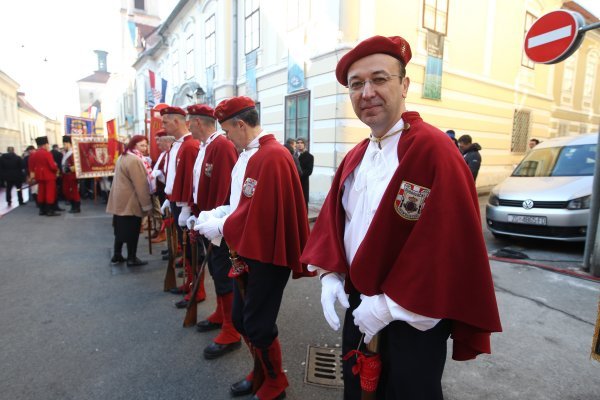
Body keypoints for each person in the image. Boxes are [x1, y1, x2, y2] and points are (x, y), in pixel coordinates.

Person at [300, 35, 502, 400]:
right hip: (361, 306)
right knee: (356, 387)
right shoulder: (356, 156)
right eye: (356, 84)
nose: (367, 93)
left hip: (413, 314)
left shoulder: (434, 150)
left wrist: (390, 306)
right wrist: (331, 274)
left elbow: (445, 245)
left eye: (379, 79)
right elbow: (338, 222)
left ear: (404, 85)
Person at [194, 96, 314, 399]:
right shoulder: (251, 154)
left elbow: (260, 214)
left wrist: (222, 226)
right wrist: (222, 213)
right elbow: (242, 204)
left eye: (227, 131)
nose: (227, 138)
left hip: (268, 253)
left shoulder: (270, 155)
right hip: (250, 249)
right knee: (242, 319)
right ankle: (261, 369)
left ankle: (275, 381)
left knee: (257, 323)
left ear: (240, 124)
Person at [184, 103, 241, 360]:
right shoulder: (208, 146)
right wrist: (195, 212)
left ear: (197, 122)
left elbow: (224, 189)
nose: (187, 126)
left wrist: (213, 224)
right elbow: (200, 185)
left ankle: (231, 329)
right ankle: (221, 313)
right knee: (218, 273)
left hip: (218, 224)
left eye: (189, 121)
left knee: (223, 272)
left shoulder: (221, 145)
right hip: (208, 221)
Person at [159, 106, 205, 307]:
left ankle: (198, 288)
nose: (163, 126)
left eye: (165, 122)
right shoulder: (178, 145)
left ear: (176, 121)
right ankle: (190, 282)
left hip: (185, 205)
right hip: (176, 201)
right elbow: (175, 177)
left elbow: (190, 180)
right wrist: (169, 198)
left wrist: (186, 207)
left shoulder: (189, 146)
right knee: (186, 250)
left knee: (193, 250)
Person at [106, 135, 154, 266]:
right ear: (134, 146)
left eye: (145, 145)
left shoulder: (124, 156)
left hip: (120, 200)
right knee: (132, 230)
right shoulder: (135, 160)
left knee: (120, 229)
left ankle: (117, 254)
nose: (144, 148)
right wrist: (147, 206)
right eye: (141, 145)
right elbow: (141, 185)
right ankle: (131, 258)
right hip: (130, 201)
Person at [28, 136, 60, 216]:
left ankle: (42, 210)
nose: (48, 146)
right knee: (50, 192)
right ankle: (49, 210)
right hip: (49, 176)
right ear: (45, 144)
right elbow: (52, 166)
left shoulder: (34, 154)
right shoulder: (47, 153)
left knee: (41, 192)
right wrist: (56, 169)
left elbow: (31, 166)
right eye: (47, 144)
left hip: (39, 176)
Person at [61, 136, 81, 213]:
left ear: (69, 143)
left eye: (65, 144)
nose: (64, 145)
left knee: (74, 192)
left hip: (71, 175)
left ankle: (76, 207)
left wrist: (70, 169)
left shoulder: (73, 152)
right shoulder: (66, 153)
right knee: (68, 191)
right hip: (66, 176)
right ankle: (73, 206)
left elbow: (77, 164)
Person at [295, 137, 314, 208]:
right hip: (293, 182)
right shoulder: (293, 155)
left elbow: (309, 171)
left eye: (301, 143)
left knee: (303, 203)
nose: (299, 144)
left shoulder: (309, 157)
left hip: (303, 183)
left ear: (304, 144)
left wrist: (298, 174)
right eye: (298, 143)